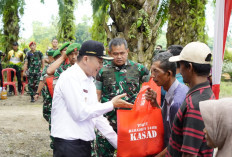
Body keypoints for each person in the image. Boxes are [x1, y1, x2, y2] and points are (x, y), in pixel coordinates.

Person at [51, 40, 133, 157]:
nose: (101, 66)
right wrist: (111, 104)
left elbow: (97, 116)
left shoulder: (89, 80)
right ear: (85, 59)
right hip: (68, 145)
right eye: (99, 62)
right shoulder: (70, 78)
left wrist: (119, 145)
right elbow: (80, 113)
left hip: (82, 144)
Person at [95, 38, 150, 156]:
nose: (119, 56)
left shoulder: (139, 69)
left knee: (133, 153)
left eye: (122, 53)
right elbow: (97, 95)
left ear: (127, 51)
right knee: (103, 153)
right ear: (109, 53)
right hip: (108, 121)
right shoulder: (102, 70)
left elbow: (150, 88)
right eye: (115, 54)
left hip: (132, 122)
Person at [166, 41, 215, 156]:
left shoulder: (195, 105)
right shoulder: (205, 92)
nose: (179, 70)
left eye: (180, 65)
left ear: (190, 67)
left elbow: (189, 153)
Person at [145, 52, 189, 156]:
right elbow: (168, 120)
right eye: (152, 71)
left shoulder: (177, 102)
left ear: (168, 74)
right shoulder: (172, 91)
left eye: (156, 71)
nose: (152, 76)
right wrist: (156, 104)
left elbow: (177, 141)